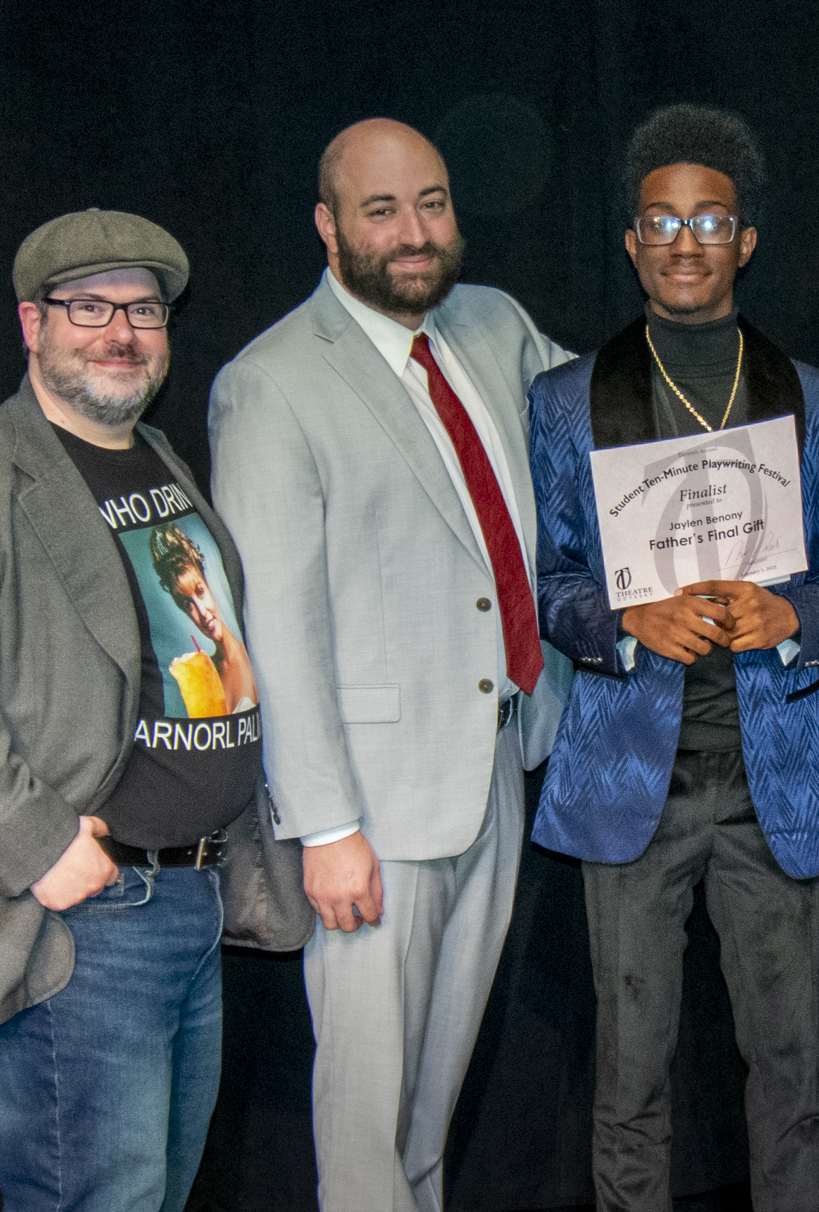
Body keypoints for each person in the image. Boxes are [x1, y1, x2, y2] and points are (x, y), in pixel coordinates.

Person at [0, 209, 310, 1212]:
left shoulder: (156, 456)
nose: (122, 330)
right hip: (91, 920)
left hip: (196, 900)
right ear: (33, 324)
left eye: (145, 309)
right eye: (90, 307)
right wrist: (39, 848)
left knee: (156, 1193)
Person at [208, 119, 573, 1212]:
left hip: (497, 760)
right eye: (381, 210)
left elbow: (618, 425)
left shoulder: (493, 324)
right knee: (366, 1114)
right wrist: (325, 829)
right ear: (327, 228)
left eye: (432, 202)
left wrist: (800, 400)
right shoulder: (269, 384)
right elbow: (273, 625)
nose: (415, 234)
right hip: (367, 809)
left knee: (431, 1100)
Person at [526, 102, 819, 1212]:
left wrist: (796, 619)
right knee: (628, 1074)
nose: (682, 241)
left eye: (706, 220)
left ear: (743, 241)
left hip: (774, 783)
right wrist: (624, 624)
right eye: (659, 221)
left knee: (791, 1069)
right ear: (630, 240)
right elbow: (552, 583)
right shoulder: (567, 400)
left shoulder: (814, 402)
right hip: (634, 785)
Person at [150, 522, 258, 713]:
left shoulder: (253, 656)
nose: (201, 611)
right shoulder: (201, 676)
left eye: (200, 592)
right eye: (187, 604)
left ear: (209, 586)